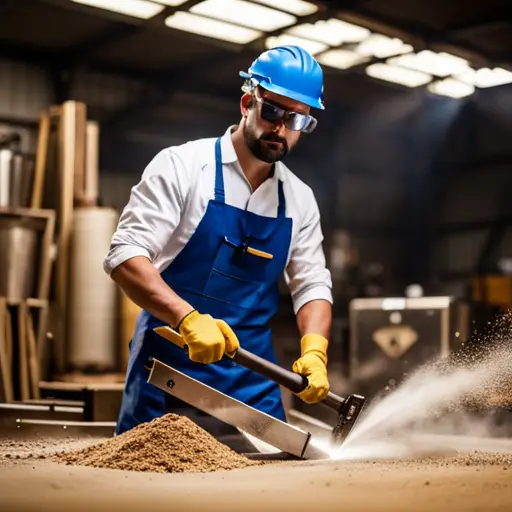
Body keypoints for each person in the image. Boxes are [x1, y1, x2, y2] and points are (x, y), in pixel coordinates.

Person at [104, 45, 333, 441]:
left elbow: (311, 283)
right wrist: (187, 318)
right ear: (248, 102)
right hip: (169, 367)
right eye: (274, 111)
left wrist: (315, 349)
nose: (281, 128)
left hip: (252, 377)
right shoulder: (182, 166)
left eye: (297, 119)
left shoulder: (299, 199)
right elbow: (125, 255)